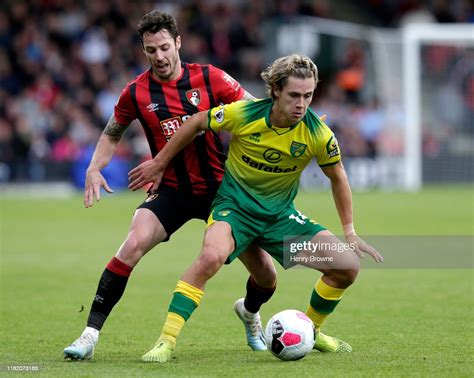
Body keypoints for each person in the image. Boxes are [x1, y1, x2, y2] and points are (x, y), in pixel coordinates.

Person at [128, 54, 384, 363]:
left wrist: (350, 232)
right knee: (210, 256)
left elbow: (338, 177)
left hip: (280, 219)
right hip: (234, 210)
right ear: (276, 90)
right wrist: (160, 162)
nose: (301, 104)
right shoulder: (244, 114)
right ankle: (166, 341)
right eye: (293, 95)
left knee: (346, 267)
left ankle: (311, 331)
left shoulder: (318, 134)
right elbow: (197, 121)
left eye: (308, 95)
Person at [63, 10, 278, 361]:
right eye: (151, 50)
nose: (159, 56)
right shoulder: (136, 92)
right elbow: (111, 134)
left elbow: (256, 115)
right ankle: (89, 335)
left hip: (222, 191)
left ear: (178, 43)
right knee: (131, 245)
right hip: (172, 191)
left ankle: (251, 313)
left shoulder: (212, 79)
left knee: (267, 275)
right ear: (143, 50)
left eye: (164, 47)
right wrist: (93, 167)